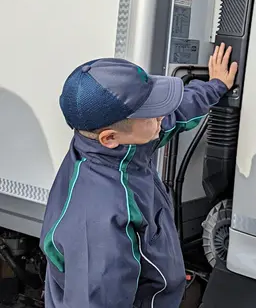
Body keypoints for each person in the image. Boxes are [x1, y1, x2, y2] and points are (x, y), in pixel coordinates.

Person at [40, 44, 238, 308]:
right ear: (109, 138)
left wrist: (215, 86)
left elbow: (177, 113)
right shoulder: (98, 221)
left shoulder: (124, 147)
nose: (161, 116)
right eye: (152, 114)